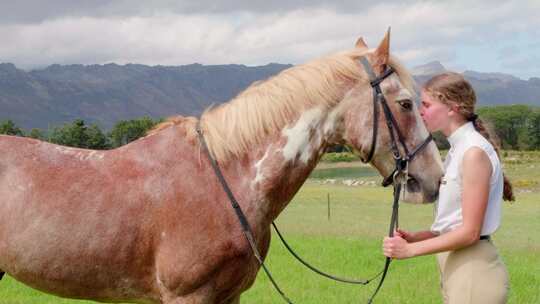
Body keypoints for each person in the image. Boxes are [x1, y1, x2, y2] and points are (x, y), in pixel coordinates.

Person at [382, 72, 514, 304]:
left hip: (473, 272)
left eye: (426, 105)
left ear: (452, 108)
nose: (420, 111)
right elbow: (454, 225)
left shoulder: (473, 153)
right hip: (459, 270)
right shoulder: (457, 151)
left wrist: (410, 251)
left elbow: (470, 232)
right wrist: (415, 238)